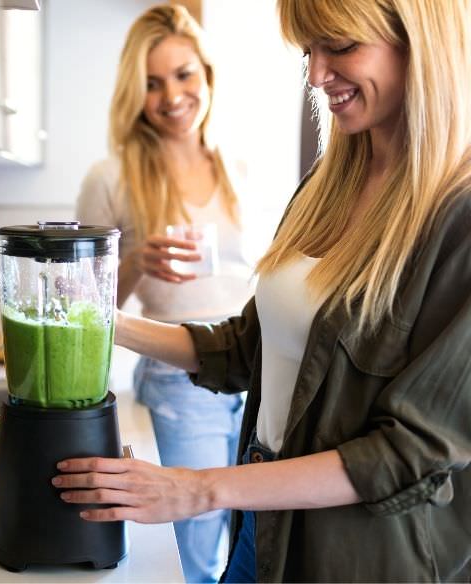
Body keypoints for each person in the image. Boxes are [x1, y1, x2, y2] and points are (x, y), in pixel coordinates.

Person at [56, 0, 471, 581]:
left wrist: (198, 490)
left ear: (419, 42)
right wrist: (102, 321)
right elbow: (252, 345)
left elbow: (410, 452)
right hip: (265, 521)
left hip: (358, 556)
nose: (317, 75)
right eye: (309, 51)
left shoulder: (457, 216)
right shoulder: (328, 185)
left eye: (340, 46)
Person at [75, 5, 254, 582]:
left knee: (249, 538)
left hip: (253, 367)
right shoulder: (113, 175)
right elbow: (84, 303)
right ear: (135, 92)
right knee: (197, 547)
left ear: (206, 74)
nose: (172, 95)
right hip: (179, 379)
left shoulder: (237, 166)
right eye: (152, 83)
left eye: (183, 75)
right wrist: (133, 261)